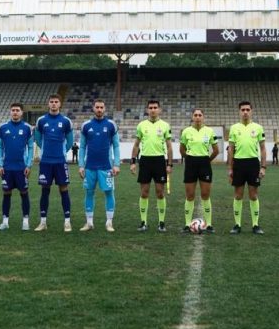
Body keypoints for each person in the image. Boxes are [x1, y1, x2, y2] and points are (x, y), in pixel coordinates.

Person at [130, 100, 173, 232]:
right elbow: (136, 145)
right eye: (150, 108)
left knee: (160, 193)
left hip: (159, 161)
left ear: (159, 110)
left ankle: (161, 223)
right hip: (145, 161)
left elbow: (169, 146)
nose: (153, 110)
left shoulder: (165, 125)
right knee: (144, 193)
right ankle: (143, 222)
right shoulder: (142, 125)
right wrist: (133, 162)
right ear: (147, 110)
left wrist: (169, 164)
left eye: (155, 107)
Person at [78, 99, 120, 232]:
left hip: (106, 166)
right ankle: (89, 222)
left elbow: (116, 146)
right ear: (93, 108)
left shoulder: (111, 125)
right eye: (97, 107)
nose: (99, 109)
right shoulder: (86, 125)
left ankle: (109, 222)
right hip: (90, 166)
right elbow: (83, 147)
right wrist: (81, 165)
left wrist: (116, 164)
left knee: (109, 192)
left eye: (102, 107)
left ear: (105, 108)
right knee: (89, 192)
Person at [34, 94, 74, 232]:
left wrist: (62, 152)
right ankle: (43, 222)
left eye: (56, 102)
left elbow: (69, 141)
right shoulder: (41, 120)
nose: (53, 104)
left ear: (60, 104)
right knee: (45, 190)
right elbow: (38, 139)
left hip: (60, 161)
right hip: (46, 161)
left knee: (63, 189)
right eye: (51, 102)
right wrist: (45, 151)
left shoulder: (66, 121)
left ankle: (67, 222)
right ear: (48, 103)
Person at [227, 101, 266, 235]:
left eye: (247, 109)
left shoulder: (258, 128)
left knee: (253, 195)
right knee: (238, 195)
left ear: (251, 111)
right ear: (239, 111)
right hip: (238, 163)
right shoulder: (233, 128)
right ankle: (237, 225)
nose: (245, 112)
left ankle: (255, 225)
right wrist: (230, 168)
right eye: (243, 110)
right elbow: (230, 149)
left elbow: (263, 148)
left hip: (253, 164)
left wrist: (263, 167)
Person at [0, 103, 34, 231]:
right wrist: (0, 164)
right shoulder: (3, 127)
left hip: (21, 167)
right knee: (6, 193)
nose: (15, 112)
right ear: (10, 112)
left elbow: (31, 147)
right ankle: (5, 221)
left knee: (24, 193)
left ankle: (26, 221)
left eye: (17, 110)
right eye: (13, 110)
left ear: (22, 112)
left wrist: (28, 164)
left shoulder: (27, 128)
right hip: (7, 167)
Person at [180, 109, 219, 234]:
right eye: (195, 115)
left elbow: (216, 150)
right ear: (192, 117)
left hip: (204, 164)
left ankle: (209, 225)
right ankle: (187, 224)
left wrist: (207, 160)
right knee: (190, 195)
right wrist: (189, 159)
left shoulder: (210, 131)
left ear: (203, 117)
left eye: (200, 115)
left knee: (205, 195)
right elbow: (182, 150)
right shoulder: (186, 131)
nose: (197, 117)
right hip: (191, 163)